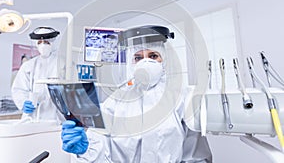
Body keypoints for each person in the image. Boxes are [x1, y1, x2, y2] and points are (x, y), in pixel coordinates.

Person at [61, 25, 212, 162]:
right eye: (138, 58)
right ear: (131, 63)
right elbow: (100, 150)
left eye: (153, 56)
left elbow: (196, 155)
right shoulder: (116, 102)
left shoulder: (181, 98)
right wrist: (86, 150)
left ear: (164, 60)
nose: (145, 63)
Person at [11, 26, 64, 121]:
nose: (43, 45)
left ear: (53, 43)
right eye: (39, 42)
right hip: (33, 117)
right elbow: (18, 89)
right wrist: (23, 102)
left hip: (57, 117)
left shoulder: (63, 64)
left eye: (46, 42)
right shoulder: (28, 65)